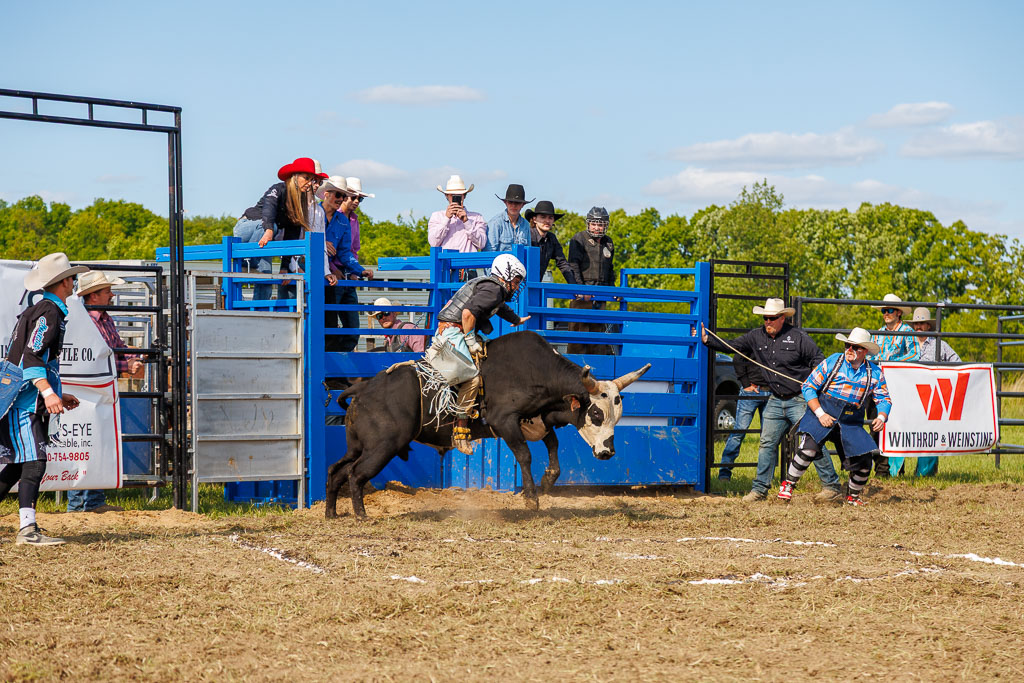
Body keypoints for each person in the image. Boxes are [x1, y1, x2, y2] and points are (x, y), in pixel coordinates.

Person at [701, 298, 843, 502]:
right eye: (765, 318)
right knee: (767, 443)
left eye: (772, 318)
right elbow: (733, 346)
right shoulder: (755, 336)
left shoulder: (798, 337)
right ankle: (759, 490)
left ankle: (831, 486)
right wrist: (708, 340)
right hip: (775, 400)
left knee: (812, 440)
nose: (768, 321)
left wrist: (814, 384)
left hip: (799, 398)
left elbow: (818, 360)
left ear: (782, 318)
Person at [1, 253, 88, 545]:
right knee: (35, 461)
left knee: (20, 463)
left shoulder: (42, 310)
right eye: (72, 277)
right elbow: (31, 356)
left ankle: (28, 526)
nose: (74, 281)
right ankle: (27, 529)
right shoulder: (49, 312)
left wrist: (55, 393)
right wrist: (48, 392)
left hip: (20, 396)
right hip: (23, 400)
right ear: (64, 282)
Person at [427, 254, 532, 454]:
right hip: (454, 332)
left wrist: (516, 319)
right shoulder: (494, 289)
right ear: (505, 275)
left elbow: (500, 307)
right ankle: (460, 431)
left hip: (455, 329)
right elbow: (467, 314)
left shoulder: (492, 288)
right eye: (516, 280)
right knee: (472, 379)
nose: (517, 286)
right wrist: (470, 340)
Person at [779, 328, 891, 506]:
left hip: (850, 420)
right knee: (809, 448)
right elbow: (808, 386)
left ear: (865, 351)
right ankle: (788, 485)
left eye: (855, 347)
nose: (849, 350)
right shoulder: (833, 362)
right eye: (848, 345)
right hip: (823, 410)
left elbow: (884, 399)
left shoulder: (874, 373)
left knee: (864, 460)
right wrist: (820, 413)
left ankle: (852, 496)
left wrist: (882, 417)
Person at [67, 271, 145, 514]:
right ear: (93, 295)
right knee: (85, 441)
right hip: (86, 389)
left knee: (96, 440)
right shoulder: (85, 321)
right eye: (107, 291)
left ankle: (91, 501)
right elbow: (93, 359)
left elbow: (116, 348)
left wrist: (134, 358)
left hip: (99, 389)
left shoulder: (103, 319)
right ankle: (80, 503)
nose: (112, 295)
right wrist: (126, 365)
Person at [233, 157, 327, 302]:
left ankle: (260, 309)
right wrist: (269, 230)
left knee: (265, 273)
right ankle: (248, 262)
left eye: (312, 180)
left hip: (263, 240)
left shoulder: (300, 201)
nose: (309, 183)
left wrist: (285, 266)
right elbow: (268, 209)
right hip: (247, 227)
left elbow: (292, 233)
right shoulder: (278, 188)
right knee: (272, 228)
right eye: (306, 178)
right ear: (295, 177)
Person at [869, 293, 919, 477]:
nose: (886, 313)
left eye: (889, 310)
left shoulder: (907, 331)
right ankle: (881, 469)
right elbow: (870, 355)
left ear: (898, 312)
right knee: (875, 424)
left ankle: (897, 468)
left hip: (898, 386)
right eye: (884, 310)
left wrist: (891, 363)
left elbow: (915, 354)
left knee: (896, 426)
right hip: (878, 385)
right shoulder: (878, 333)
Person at [908, 307, 961, 477]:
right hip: (908, 393)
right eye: (916, 323)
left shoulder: (940, 344)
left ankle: (925, 472)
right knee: (903, 429)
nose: (918, 327)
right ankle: (895, 472)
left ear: (928, 326)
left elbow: (957, 362)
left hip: (931, 395)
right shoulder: (906, 343)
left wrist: (942, 374)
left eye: (922, 323)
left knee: (928, 431)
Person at [320, 176, 370, 352]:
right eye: (338, 195)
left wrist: (360, 270)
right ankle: (330, 361)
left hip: (335, 277)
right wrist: (322, 244)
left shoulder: (344, 221)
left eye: (343, 195)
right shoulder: (314, 214)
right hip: (320, 276)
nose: (340, 199)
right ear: (326, 194)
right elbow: (303, 238)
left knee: (349, 328)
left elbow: (345, 252)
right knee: (327, 325)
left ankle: (337, 360)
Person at [567, 207, 616, 355]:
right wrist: (581, 289)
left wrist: (612, 289)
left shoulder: (608, 242)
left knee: (597, 338)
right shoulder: (579, 239)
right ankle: (575, 366)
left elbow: (610, 268)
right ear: (588, 224)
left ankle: (597, 367)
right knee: (577, 337)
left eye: (600, 224)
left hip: (600, 296)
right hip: (582, 296)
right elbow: (573, 265)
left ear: (605, 225)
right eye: (594, 224)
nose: (596, 227)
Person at [717, 354, 770, 481]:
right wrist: (746, 384)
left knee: (768, 437)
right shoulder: (752, 342)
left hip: (771, 392)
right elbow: (737, 358)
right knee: (739, 432)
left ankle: (764, 478)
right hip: (752, 390)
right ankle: (724, 473)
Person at [428, 175, 488, 254]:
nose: (455, 198)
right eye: (452, 195)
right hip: (446, 261)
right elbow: (433, 243)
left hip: (468, 261)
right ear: (446, 196)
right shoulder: (437, 216)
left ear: (464, 196)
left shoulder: (477, 217)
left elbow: (482, 243)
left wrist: (466, 222)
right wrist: (446, 219)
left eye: (459, 195)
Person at [529, 201, 576, 284]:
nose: (547, 221)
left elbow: (562, 263)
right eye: (543, 217)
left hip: (537, 284)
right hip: (520, 285)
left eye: (550, 218)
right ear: (534, 219)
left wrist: (574, 286)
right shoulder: (527, 235)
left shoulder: (552, 238)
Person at [485, 184, 533, 252]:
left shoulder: (526, 225)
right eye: (510, 202)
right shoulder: (496, 223)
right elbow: (489, 252)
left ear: (523, 205)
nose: (513, 205)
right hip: (500, 259)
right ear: (505, 203)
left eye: (517, 203)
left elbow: (528, 251)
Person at [344, 177, 373, 259]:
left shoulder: (354, 220)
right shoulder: (333, 215)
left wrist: (355, 265)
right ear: (344, 196)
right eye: (353, 197)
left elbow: (355, 248)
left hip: (348, 263)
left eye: (360, 199)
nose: (357, 201)